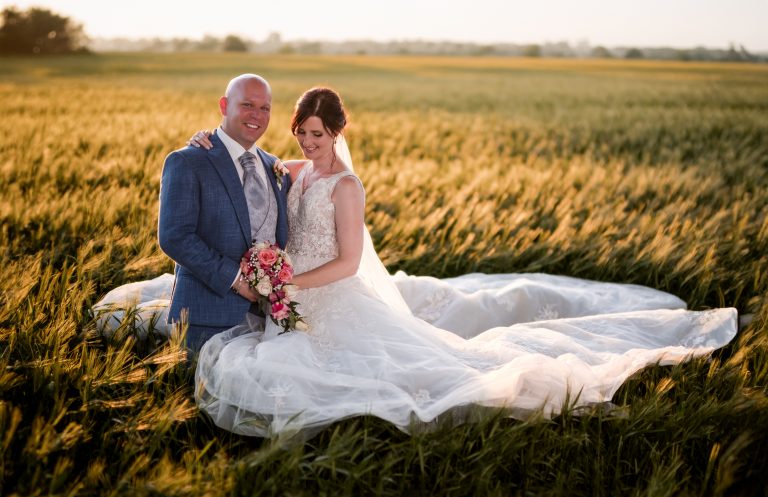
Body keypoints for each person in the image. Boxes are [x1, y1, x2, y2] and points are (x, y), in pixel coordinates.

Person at [183, 87, 737, 439]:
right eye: (302, 134)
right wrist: (209, 139)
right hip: (292, 291)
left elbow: (349, 263)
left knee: (395, 372)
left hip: (325, 289)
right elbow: (247, 159)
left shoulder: (346, 187)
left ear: (337, 134)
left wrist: (288, 282)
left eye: (318, 135)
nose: (308, 143)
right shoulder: (294, 171)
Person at [156, 74, 290, 356]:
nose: (257, 115)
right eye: (247, 105)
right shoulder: (188, 160)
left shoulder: (276, 167)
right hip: (208, 318)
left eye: (265, 108)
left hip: (270, 324)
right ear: (224, 105)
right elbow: (174, 236)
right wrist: (237, 281)